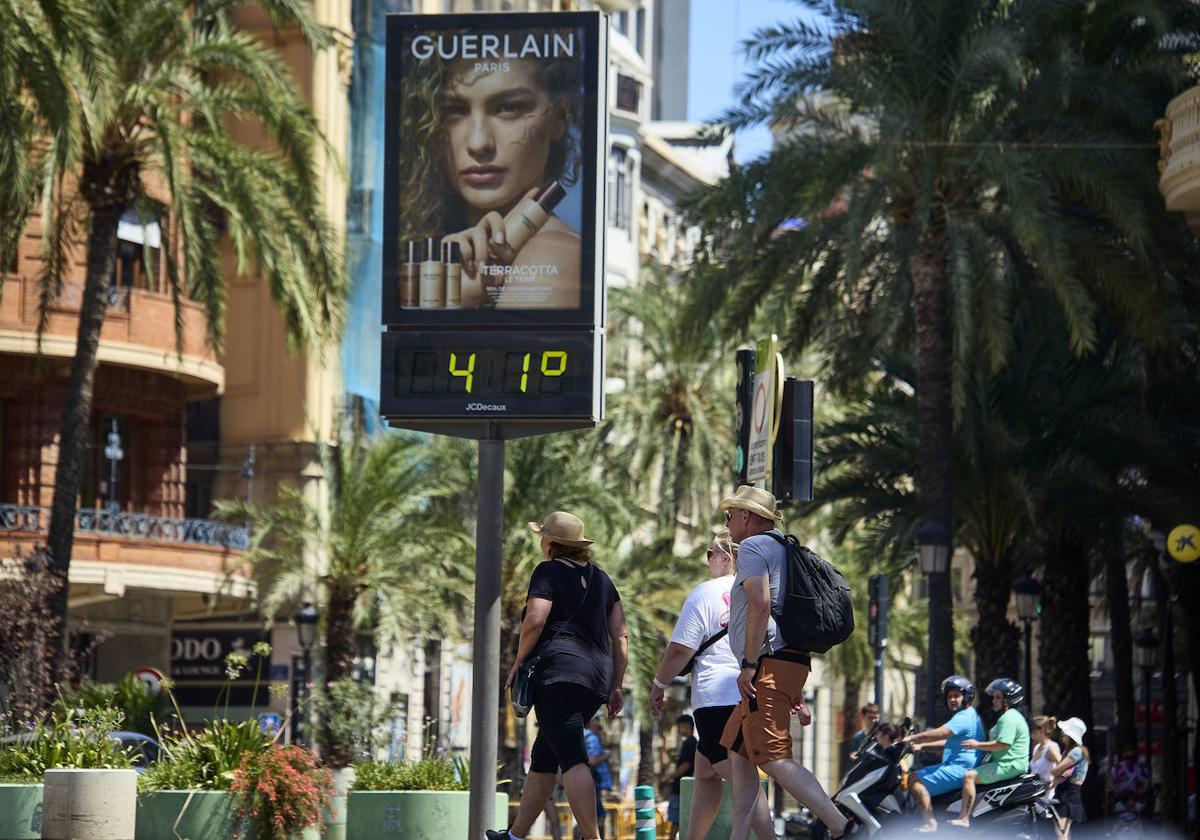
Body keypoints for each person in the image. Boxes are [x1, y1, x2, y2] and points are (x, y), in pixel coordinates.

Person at [400, 29, 585, 309]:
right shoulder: (433, 247)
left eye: (508, 108)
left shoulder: (551, 253)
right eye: (454, 111)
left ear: (559, 116)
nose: (478, 142)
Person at [717, 485, 852, 840]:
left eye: (729, 515)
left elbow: (761, 605)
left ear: (746, 516)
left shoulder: (752, 547)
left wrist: (749, 664)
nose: (727, 522)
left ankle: (843, 828)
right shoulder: (783, 548)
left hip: (767, 664)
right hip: (786, 663)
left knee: (774, 756)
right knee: (739, 751)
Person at [489, 512, 627, 840]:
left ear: (551, 543)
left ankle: (592, 838)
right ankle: (515, 836)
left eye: (543, 536)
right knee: (544, 759)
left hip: (558, 676)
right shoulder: (603, 580)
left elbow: (535, 619)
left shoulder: (547, 571)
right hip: (596, 680)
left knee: (573, 759)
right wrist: (617, 685)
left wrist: (518, 660)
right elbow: (620, 636)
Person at [648, 530, 774, 840]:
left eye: (709, 554)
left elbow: (679, 649)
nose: (707, 562)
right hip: (748, 694)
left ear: (725, 558)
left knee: (741, 781)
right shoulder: (756, 591)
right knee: (705, 772)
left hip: (715, 700)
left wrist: (659, 683)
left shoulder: (705, 593)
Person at [903, 675, 986, 832]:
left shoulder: (963, 717)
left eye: (956, 696)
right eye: (949, 697)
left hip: (959, 769)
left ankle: (929, 822)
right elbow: (948, 743)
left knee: (913, 779)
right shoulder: (970, 715)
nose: (952, 700)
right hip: (958, 767)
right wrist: (922, 746)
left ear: (966, 697)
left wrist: (910, 738)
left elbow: (941, 733)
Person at [949, 678, 1030, 829]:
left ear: (1008, 699)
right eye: (994, 697)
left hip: (1009, 764)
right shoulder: (1010, 716)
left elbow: (1002, 744)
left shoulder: (1009, 718)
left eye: (998, 697)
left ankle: (964, 818)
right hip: (1007, 763)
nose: (994, 701)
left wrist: (976, 745)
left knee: (969, 777)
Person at [1049, 717, 1089, 839]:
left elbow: (1055, 770)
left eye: (1065, 731)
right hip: (1066, 792)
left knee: (1061, 833)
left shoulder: (1076, 752)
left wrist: (1058, 772)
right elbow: (1059, 773)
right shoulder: (1071, 751)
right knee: (1064, 833)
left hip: (1069, 794)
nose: (1062, 733)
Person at [665, 715, 697, 838]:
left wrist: (670, 776)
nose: (678, 730)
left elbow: (686, 764)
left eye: (679, 727)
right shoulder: (691, 742)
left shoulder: (690, 742)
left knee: (676, 819)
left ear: (687, 726)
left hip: (680, 787)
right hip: (684, 787)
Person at [584, 715, 613, 839]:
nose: (599, 724)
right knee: (597, 817)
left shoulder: (588, 736)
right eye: (597, 720)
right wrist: (606, 756)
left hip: (591, 783)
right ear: (590, 721)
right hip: (593, 783)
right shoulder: (591, 738)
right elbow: (592, 760)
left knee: (590, 818)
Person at [1108, 746, 1149, 817]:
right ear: (1124, 757)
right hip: (1121, 794)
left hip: (1135, 795)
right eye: (1127, 757)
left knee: (1141, 810)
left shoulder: (1141, 767)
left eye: (1133, 757)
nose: (1130, 759)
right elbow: (1111, 780)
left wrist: (1142, 790)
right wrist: (1115, 789)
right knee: (1117, 811)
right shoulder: (1117, 767)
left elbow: (1147, 780)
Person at [1029, 715, 1063, 794]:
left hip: (1047, 794)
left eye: (1032, 729)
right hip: (1036, 792)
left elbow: (1065, 769)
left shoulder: (1051, 747)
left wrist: (1054, 783)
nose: (1030, 731)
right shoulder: (1037, 747)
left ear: (1042, 730)